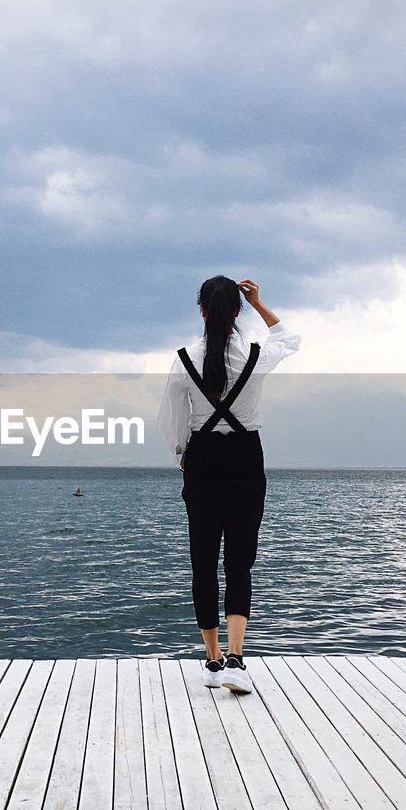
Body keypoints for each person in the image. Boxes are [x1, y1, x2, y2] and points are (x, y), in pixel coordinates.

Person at [157, 276, 301, 693]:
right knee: (239, 561)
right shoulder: (256, 355)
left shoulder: (184, 358)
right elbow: (290, 339)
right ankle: (237, 659)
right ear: (237, 311)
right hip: (245, 458)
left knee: (203, 561)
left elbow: (170, 420)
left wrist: (183, 456)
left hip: (201, 461)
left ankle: (213, 661)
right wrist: (260, 303)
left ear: (201, 310)